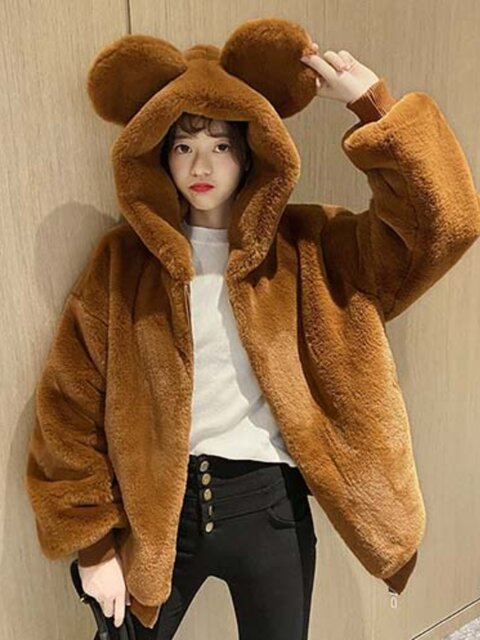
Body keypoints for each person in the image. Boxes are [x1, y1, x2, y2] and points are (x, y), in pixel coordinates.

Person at [25, 18, 480, 640]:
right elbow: (68, 405)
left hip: (271, 509)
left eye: (220, 145)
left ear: (250, 152)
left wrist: (373, 107)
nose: (201, 163)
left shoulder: (310, 248)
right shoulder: (123, 263)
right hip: (160, 518)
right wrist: (94, 546)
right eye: (183, 145)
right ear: (159, 155)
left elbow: (441, 227)